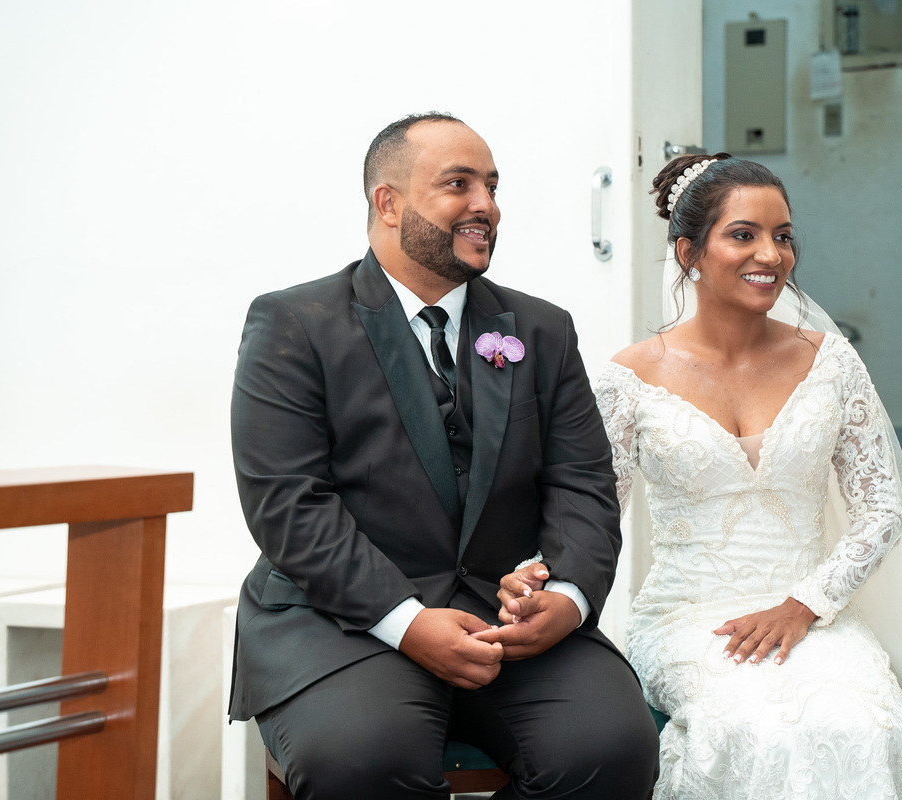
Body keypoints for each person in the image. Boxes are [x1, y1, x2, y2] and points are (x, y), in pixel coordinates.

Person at [500, 154, 902, 799]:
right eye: (743, 234)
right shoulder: (630, 376)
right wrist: (540, 573)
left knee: (865, 725)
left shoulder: (829, 360)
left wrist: (804, 604)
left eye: (783, 235)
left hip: (815, 615)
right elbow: (593, 511)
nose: (771, 254)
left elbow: (881, 508)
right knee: (759, 732)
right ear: (687, 252)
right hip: (691, 619)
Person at [227, 112, 659, 800]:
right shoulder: (295, 324)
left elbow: (582, 484)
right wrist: (406, 620)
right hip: (345, 622)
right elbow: (287, 503)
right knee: (360, 760)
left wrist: (569, 598)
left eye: (491, 185)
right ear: (388, 202)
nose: (485, 205)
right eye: (458, 184)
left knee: (612, 750)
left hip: (510, 620)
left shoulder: (542, 329)